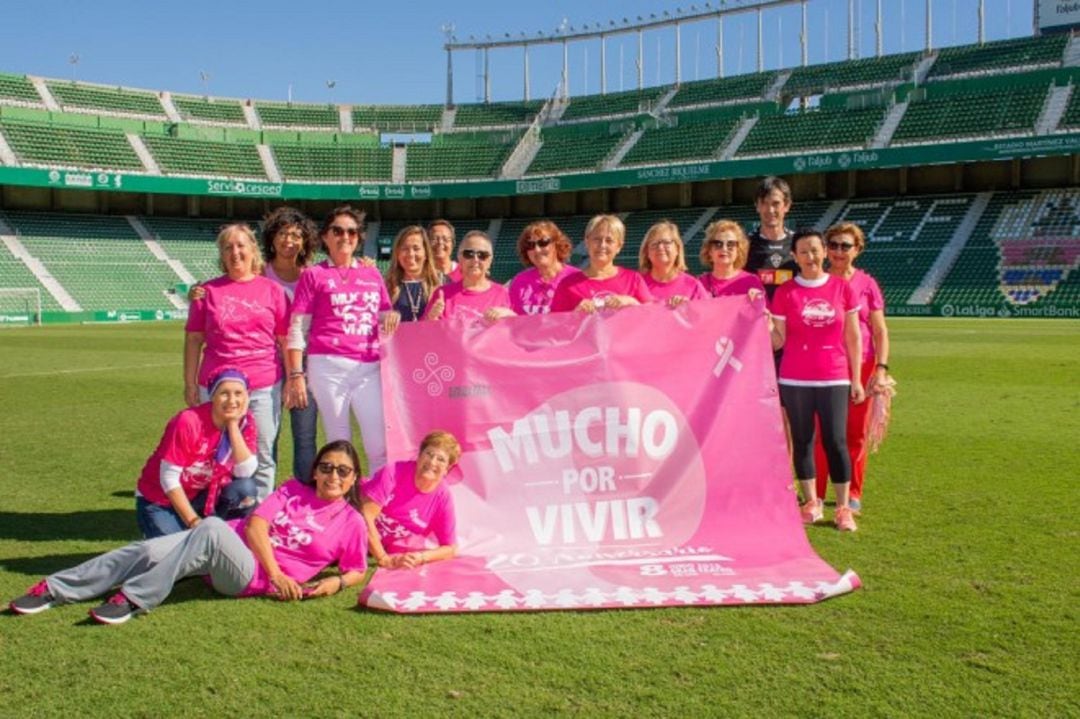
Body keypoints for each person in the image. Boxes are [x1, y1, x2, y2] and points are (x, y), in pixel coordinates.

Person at [9, 441, 368, 625]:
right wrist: (278, 572)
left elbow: (357, 569)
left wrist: (335, 584)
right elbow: (257, 524)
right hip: (230, 547)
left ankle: (134, 599)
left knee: (211, 526)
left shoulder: (351, 521)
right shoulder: (292, 489)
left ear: (354, 478)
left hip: (246, 575)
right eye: (327, 467)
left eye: (343, 470)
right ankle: (55, 589)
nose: (334, 476)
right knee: (146, 552)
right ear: (316, 470)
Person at [286, 206, 397, 475]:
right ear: (326, 237)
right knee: (339, 442)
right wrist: (296, 374)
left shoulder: (372, 274)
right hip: (327, 366)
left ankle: (377, 503)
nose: (345, 237)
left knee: (378, 444)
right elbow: (297, 329)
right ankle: (343, 505)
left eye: (351, 231)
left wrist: (393, 316)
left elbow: (385, 317)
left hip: (369, 367)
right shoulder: (314, 275)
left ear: (359, 238)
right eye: (337, 231)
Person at [184, 223, 289, 500]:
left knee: (264, 455)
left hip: (263, 386)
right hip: (216, 386)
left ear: (253, 250)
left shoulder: (273, 291)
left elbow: (284, 340)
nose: (235, 252)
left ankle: (259, 518)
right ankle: (216, 513)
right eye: (228, 247)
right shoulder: (206, 292)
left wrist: (292, 380)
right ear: (221, 253)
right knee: (212, 451)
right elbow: (194, 339)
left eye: (241, 245)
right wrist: (189, 383)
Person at [769, 229, 865, 532]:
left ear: (824, 252)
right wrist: (758, 327)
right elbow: (778, 340)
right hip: (795, 378)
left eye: (815, 250)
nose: (810, 257)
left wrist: (857, 379)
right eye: (803, 252)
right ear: (795, 257)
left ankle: (843, 508)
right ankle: (812, 503)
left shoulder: (841, 288)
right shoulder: (785, 293)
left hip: (834, 377)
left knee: (836, 441)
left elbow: (853, 336)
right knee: (803, 441)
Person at [813, 222, 891, 513]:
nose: (838, 251)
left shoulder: (866, 284)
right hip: (825, 366)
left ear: (857, 250)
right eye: (832, 245)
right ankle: (816, 494)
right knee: (821, 432)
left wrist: (881, 369)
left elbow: (880, 330)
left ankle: (853, 492)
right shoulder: (816, 280)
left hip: (863, 364)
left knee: (855, 433)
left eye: (845, 246)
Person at [136, 367, 259, 539]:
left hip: (202, 494)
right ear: (212, 395)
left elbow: (244, 471)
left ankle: (225, 538)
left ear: (247, 397)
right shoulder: (188, 421)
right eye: (224, 393)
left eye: (238, 393)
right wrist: (194, 522)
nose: (232, 400)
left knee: (244, 489)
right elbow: (168, 478)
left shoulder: (245, 422)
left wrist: (232, 424)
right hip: (162, 499)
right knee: (177, 555)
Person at [361, 431, 461, 570]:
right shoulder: (394, 471)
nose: (432, 462)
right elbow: (364, 516)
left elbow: (450, 548)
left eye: (441, 459)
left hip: (369, 545)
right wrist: (383, 558)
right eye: (429, 454)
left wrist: (421, 557)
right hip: (344, 516)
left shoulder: (442, 497)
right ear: (419, 456)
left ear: (447, 469)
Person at [550, 214, 654, 313]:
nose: (602, 245)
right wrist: (575, 314)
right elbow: (555, 325)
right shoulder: (568, 285)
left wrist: (631, 302)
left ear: (619, 246)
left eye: (609, 240)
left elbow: (652, 317)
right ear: (587, 242)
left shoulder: (633, 280)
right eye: (597, 239)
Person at [423, 230, 514, 323]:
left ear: (490, 261)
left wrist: (510, 315)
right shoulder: (442, 295)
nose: (475, 259)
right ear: (459, 258)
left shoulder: (503, 294)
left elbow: (519, 331)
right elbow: (423, 332)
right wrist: (431, 319)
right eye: (469, 254)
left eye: (482, 255)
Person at [507, 220, 581, 315]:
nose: (537, 250)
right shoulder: (520, 282)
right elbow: (513, 319)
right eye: (530, 245)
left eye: (543, 242)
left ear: (557, 244)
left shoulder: (576, 278)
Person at [745, 176, 797, 302]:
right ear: (757, 206)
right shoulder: (744, 244)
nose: (770, 210)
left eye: (776, 203)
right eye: (764, 203)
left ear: (787, 205)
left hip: (790, 319)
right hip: (758, 318)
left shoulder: (798, 243)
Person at [638, 220, 708, 306]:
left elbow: (707, 317)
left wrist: (689, 307)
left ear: (677, 249)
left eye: (666, 242)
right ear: (647, 252)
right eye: (654, 244)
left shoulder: (693, 285)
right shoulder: (636, 284)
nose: (660, 247)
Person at [384, 225, 445, 322]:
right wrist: (384, 317)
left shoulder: (442, 283)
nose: (411, 254)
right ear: (397, 254)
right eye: (405, 248)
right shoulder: (386, 286)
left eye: (416, 248)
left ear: (426, 253)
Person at [698, 219, 767, 299]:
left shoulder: (751, 282)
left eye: (731, 244)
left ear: (738, 250)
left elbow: (765, 311)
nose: (724, 249)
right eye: (718, 244)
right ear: (709, 250)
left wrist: (758, 300)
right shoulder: (699, 284)